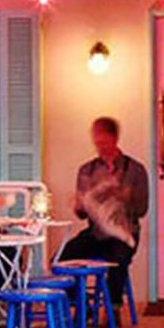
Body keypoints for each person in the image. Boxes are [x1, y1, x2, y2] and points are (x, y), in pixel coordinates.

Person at [58, 116, 149, 315]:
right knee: (63, 256)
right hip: (96, 233)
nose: (100, 147)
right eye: (97, 143)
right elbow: (82, 215)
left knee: (118, 259)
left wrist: (124, 197)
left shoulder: (135, 170)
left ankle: (113, 309)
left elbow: (142, 209)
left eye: (104, 142)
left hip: (125, 233)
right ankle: (80, 305)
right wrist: (80, 205)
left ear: (115, 139)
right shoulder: (87, 170)